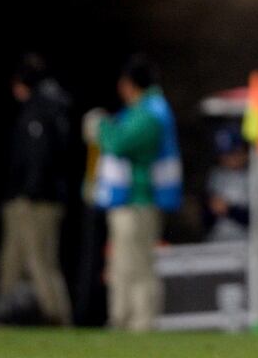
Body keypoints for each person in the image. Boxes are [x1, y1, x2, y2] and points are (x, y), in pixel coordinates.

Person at [95, 55, 182, 331]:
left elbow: (118, 143)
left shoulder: (149, 113)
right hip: (131, 200)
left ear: (131, 84)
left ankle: (142, 323)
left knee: (138, 266)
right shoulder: (145, 110)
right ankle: (121, 320)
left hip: (139, 200)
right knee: (121, 265)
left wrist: (100, 126)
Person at [0, 54, 73, 326]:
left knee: (40, 261)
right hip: (35, 198)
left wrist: (29, 191)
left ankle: (56, 318)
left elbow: (39, 156)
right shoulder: (49, 106)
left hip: (36, 200)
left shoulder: (41, 109)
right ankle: (4, 317)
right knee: (13, 262)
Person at [205, 126, 258, 242]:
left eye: (232, 153)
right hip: (220, 243)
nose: (227, 159)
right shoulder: (217, 175)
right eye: (223, 155)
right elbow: (207, 219)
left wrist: (231, 210)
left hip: (255, 245)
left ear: (244, 151)